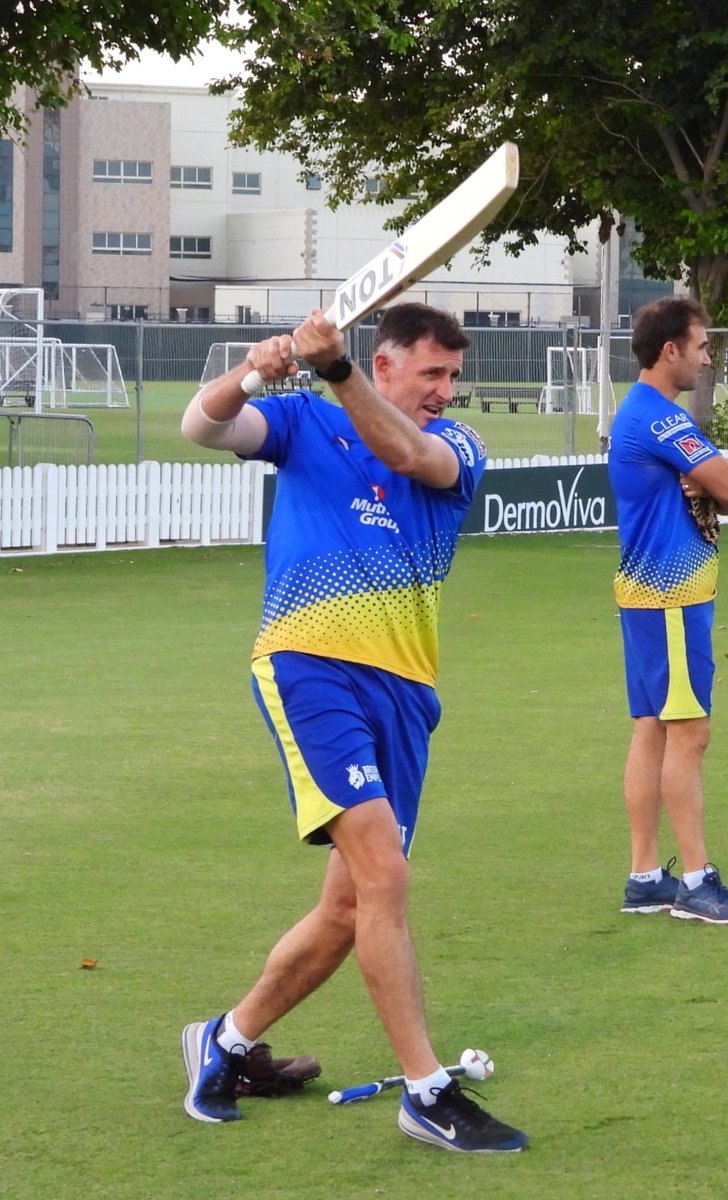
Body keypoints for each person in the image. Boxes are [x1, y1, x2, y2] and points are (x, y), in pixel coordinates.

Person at [178, 302, 527, 1153]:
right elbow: (200, 424)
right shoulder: (300, 420)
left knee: (349, 905)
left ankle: (223, 1042)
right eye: (432, 373)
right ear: (387, 363)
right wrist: (260, 369)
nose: (447, 390)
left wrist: (333, 369)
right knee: (385, 877)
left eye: (453, 375)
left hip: (405, 692)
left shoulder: (462, 448)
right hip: (309, 665)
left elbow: (411, 455)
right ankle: (426, 1089)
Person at [607, 295, 728, 925]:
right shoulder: (661, 420)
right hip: (672, 596)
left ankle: (646, 877)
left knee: (653, 729)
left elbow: (726, 486)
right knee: (689, 731)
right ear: (669, 350)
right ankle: (697, 882)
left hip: (649, 595)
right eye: (700, 346)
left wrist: (719, 479)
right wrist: (719, 477)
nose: (706, 357)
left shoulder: (642, 414)